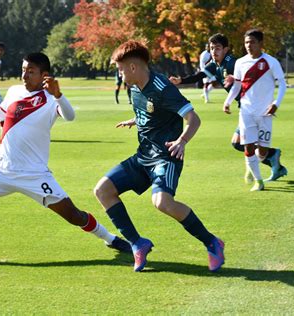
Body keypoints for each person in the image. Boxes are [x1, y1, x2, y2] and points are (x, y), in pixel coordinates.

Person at [0, 52, 131, 262]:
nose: (25, 75)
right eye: (23, 70)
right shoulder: (14, 91)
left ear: (44, 75)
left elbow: (70, 116)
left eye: (31, 71)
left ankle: (110, 238)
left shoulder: (51, 99)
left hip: (35, 176)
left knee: (73, 215)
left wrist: (58, 94)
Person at [93, 40, 224, 272]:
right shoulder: (134, 88)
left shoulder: (163, 87)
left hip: (165, 156)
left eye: (120, 69)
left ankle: (212, 242)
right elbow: (148, 111)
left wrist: (182, 141)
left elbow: (193, 119)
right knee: (102, 190)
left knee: (162, 202)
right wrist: (134, 120)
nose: (119, 73)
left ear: (133, 68)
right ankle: (137, 243)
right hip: (143, 156)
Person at [169, 33, 287, 184]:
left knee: (240, 143)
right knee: (240, 144)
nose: (214, 51)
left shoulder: (232, 62)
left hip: (254, 107)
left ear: (226, 49)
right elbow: (199, 76)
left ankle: (271, 157)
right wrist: (181, 81)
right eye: (211, 48)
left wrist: (235, 79)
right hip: (245, 108)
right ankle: (273, 160)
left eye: (217, 48)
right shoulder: (214, 65)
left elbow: (248, 76)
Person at [223, 29, 287, 191]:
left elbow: (282, 84)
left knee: (263, 150)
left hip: (265, 112)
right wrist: (228, 101)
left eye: (252, 42)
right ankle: (259, 181)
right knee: (248, 146)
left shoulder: (271, 62)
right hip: (246, 111)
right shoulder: (240, 62)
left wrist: (275, 103)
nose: (248, 45)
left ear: (260, 44)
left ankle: (251, 166)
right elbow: (237, 85)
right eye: (246, 42)